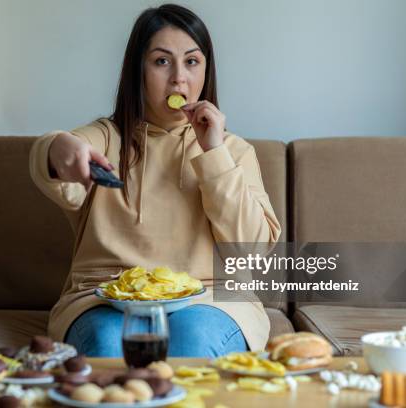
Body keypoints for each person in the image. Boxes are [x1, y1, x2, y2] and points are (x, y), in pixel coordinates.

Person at [29, 4, 281, 357]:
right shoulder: (107, 137)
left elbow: (250, 251)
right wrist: (57, 149)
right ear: (139, 70)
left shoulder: (234, 151)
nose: (179, 78)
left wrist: (214, 155)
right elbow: (58, 153)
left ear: (206, 71)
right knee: (106, 345)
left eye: (192, 62)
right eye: (162, 62)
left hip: (213, 297)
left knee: (192, 342)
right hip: (104, 296)